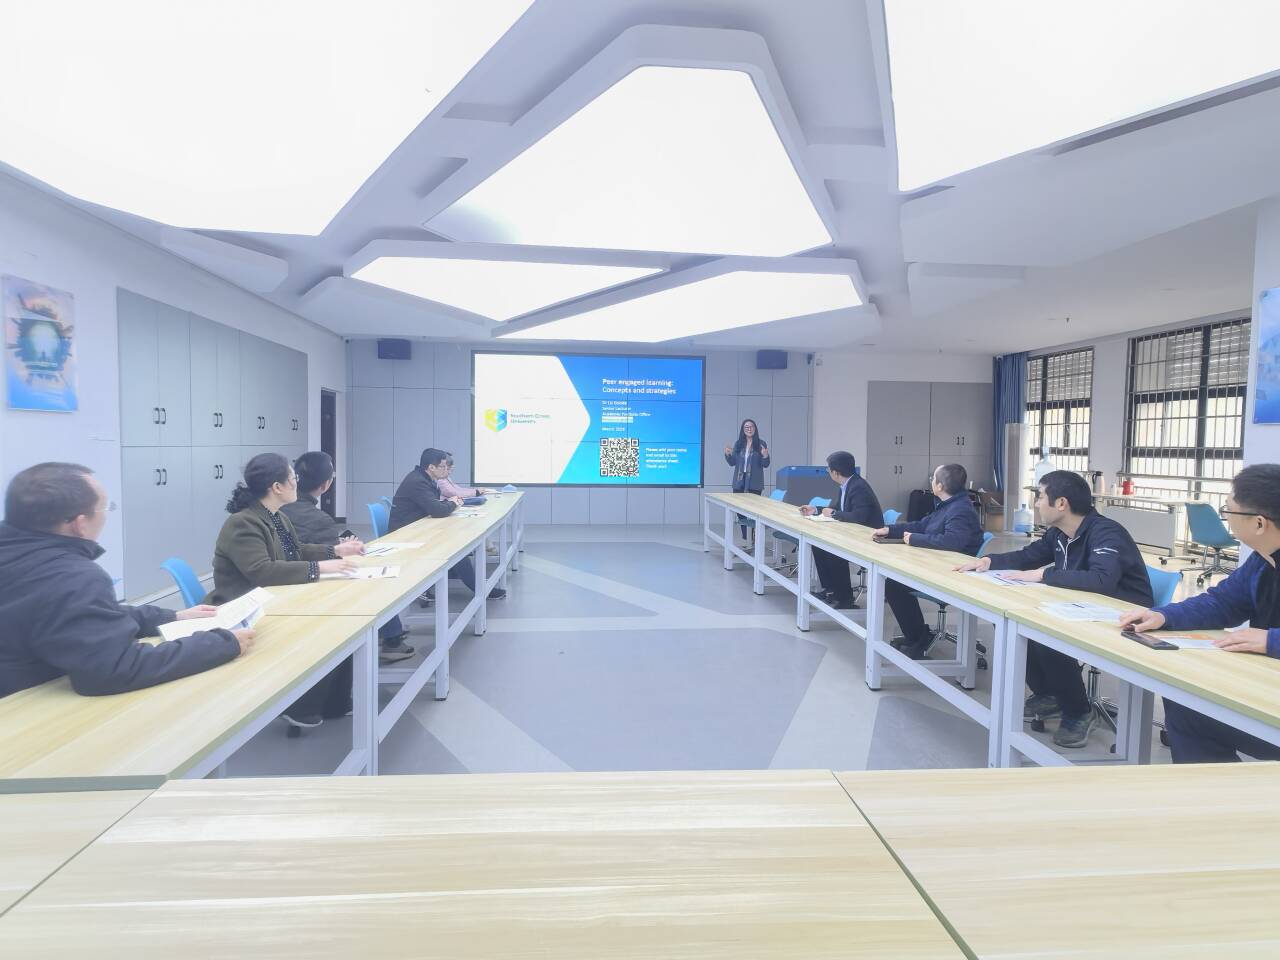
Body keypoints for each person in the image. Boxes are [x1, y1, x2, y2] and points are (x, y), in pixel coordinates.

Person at [0, 462, 251, 698]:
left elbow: (81, 613)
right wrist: (222, 644)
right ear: (80, 524)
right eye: (105, 508)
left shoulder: (22, 559)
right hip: (24, 712)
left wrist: (171, 617)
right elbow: (115, 669)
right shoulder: (74, 577)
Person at [956, 470, 1153, 748]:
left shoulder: (1106, 533)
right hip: (1082, 607)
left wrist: (1043, 575)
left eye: (1040, 496)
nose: (1036, 503)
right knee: (1021, 626)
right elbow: (1028, 556)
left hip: (1123, 615)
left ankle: (1078, 711)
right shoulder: (1059, 533)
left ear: (1061, 503)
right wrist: (988, 562)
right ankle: (1051, 695)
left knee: (1048, 636)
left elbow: (1102, 580)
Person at [1119, 463, 1280, 763]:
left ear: (1259, 524)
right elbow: (1222, 603)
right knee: (1187, 704)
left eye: (1228, 510)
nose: (1226, 517)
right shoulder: (1262, 561)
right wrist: (1164, 616)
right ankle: (1219, 791)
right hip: (1268, 686)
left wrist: (1271, 640)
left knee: (1190, 715)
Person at [209, 453, 362, 729]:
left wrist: (335, 550)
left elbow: (296, 550)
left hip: (274, 597)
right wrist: (319, 568)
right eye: (293, 478)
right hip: (245, 607)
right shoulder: (243, 523)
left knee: (343, 621)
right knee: (327, 626)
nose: (297, 483)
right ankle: (301, 705)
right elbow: (262, 571)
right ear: (277, 487)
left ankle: (335, 702)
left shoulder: (276, 516)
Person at [379, 448, 507, 648]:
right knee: (457, 551)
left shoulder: (424, 479)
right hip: (408, 539)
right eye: (443, 466)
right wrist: (453, 503)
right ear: (431, 467)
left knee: (457, 549)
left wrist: (450, 504)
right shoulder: (418, 482)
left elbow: (436, 506)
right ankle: (479, 589)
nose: (446, 470)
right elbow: (438, 509)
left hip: (418, 532)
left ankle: (476, 587)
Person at [871, 463, 984, 659]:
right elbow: (922, 525)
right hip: (940, 565)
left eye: (933, 479)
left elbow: (952, 542)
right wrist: (890, 530)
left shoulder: (960, 509)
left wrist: (915, 539)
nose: (931, 481)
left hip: (953, 573)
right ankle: (917, 636)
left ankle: (919, 637)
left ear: (940, 486)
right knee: (895, 583)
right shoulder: (948, 504)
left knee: (895, 585)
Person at [799, 451, 882, 609]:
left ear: (836, 473)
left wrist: (834, 514)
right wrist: (815, 509)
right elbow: (837, 508)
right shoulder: (846, 485)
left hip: (867, 537)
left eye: (828, 469)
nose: (828, 472)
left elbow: (859, 517)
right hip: (853, 532)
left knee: (833, 549)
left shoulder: (858, 487)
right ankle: (831, 590)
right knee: (818, 545)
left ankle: (844, 598)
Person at [723, 419, 769, 541]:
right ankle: (746, 538)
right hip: (739, 482)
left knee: (753, 512)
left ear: (755, 428)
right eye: (746, 427)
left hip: (754, 482)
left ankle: (752, 537)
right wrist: (728, 454)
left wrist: (765, 456)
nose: (749, 429)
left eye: (751, 426)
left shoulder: (761, 443)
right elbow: (732, 462)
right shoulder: (739, 444)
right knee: (740, 511)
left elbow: (766, 464)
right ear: (743, 430)